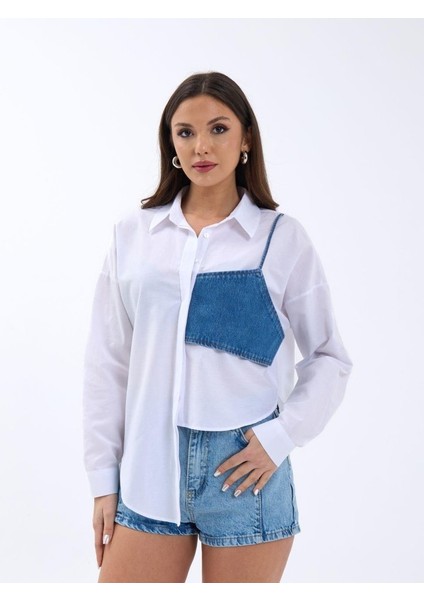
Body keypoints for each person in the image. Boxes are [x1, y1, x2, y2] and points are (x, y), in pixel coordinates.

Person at [82, 71, 353, 583]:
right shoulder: (133, 235)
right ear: (170, 143)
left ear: (246, 137)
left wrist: (281, 436)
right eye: (185, 132)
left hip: (246, 474)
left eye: (219, 129)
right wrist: (102, 478)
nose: (201, 146)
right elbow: (108, 363)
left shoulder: (281, 238)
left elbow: (329, 357)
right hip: (148, 472)